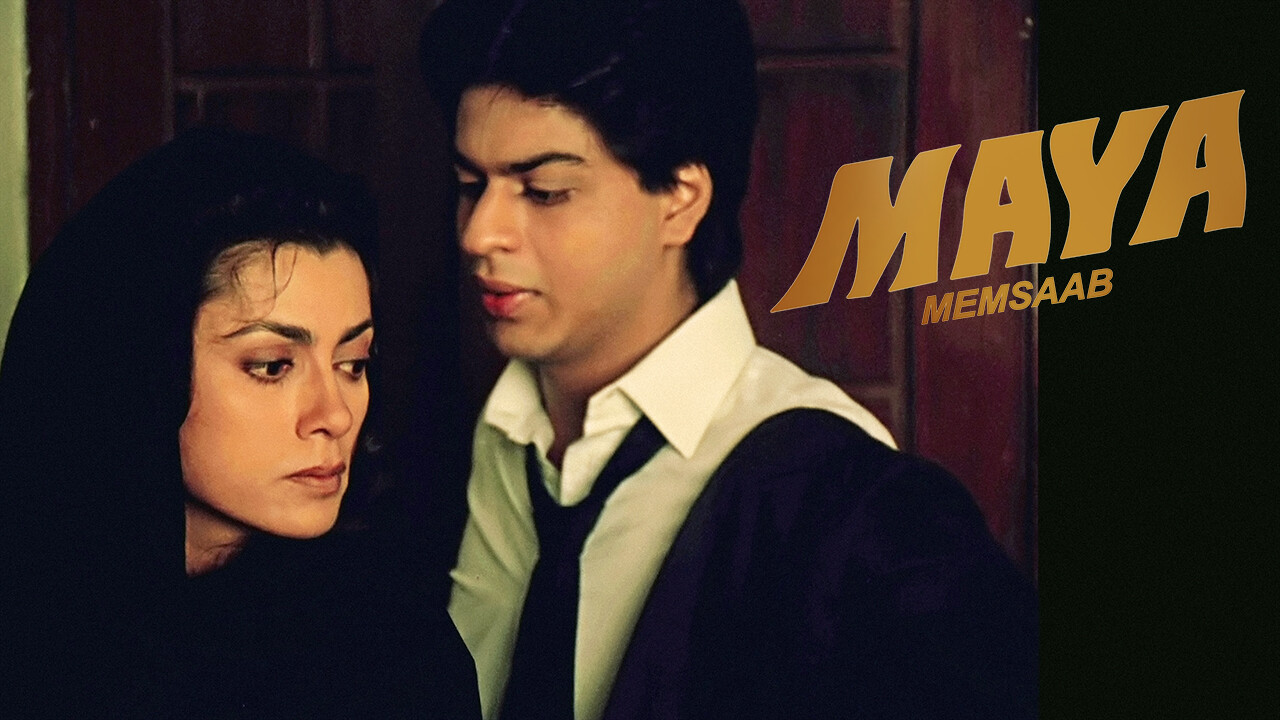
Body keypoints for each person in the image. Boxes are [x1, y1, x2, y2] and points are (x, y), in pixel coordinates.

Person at [420, 1, 1038, 719]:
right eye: (471, 186)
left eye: (545, 192)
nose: (480, 234)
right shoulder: (491, 442)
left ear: (680, 200)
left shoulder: (850, 501)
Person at [0, 128, 480, 718]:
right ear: (139, 369)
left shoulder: (395, 654)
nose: (334, 415)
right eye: (272, 366)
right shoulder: (33, 625)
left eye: (353, 364)